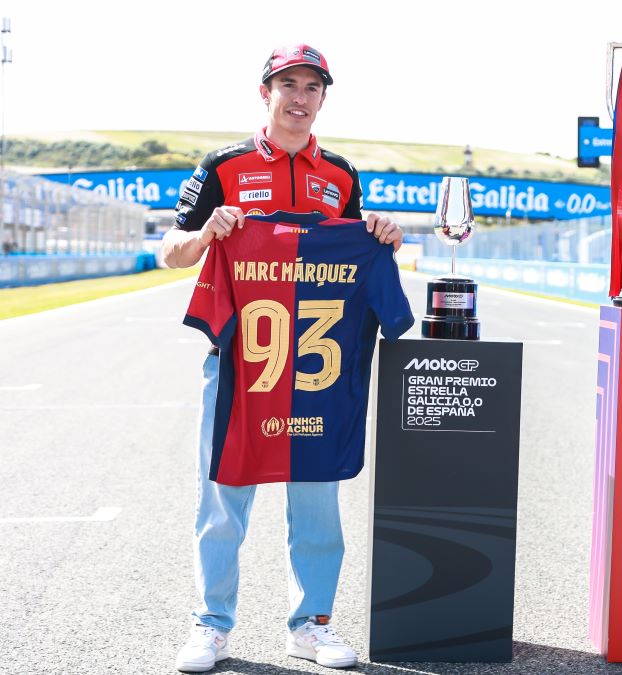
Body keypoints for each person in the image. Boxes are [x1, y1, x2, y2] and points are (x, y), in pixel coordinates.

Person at [162, 44, 404, 672]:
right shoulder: (224, 164)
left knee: (318, 504)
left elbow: (354, 257)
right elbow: (171, 250)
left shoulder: (342, 175)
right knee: (222, 496)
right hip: (242, 364)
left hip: (316, 371)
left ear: (323, 97)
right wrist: (205, 233)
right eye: (288, 85)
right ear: (264, 92)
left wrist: (381, 234)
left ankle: (311, 624)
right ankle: (210, 625)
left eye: (312, 88)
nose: (300, 98)